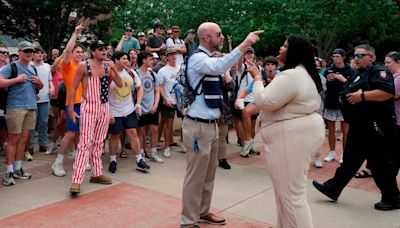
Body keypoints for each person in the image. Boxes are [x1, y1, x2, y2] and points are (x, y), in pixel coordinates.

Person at [180, 22, 262, 227]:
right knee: (195, 176)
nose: (222, 37)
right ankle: (188, 220)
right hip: (198, 126)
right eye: (218, 34)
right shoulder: (198, 58)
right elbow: (219, 66)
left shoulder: (207, 59)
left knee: (208, 175)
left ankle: (202, 211)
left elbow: (224, 72)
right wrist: (244, 44)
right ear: (205, 38)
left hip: (210, 125)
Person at [249, 36, 325, 228]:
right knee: (285, 195)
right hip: (297, 136)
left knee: (292, 196)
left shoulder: (292, 76)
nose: (280, 49)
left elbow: (265, 101)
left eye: (284, 46)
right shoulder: (303, 74)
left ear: (294, 51)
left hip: (292, 138)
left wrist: (257, 79)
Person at [313, 44, 400, 211]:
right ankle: (333, 188)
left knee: (379, 163)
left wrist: (362, 96)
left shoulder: (379, 72)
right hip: (360, 125)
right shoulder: (359, 74)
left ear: (371, 57)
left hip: (376, 125)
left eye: (361, 55)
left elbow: (387, 92)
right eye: (355, 56)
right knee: (350, 160)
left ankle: (393, 198)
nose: (356, 58)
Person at [68, 40, 123, 195]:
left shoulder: (107, 66)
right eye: (100, 49)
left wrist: (114, 69)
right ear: (93, 51)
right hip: (89, 106)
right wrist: (71, 110)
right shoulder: (83, 66)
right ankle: (76, 180)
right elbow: (73, 88)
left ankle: (96, 174)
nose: (104, 51)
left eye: (105, 48)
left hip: (104, 107)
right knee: (85, 142)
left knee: (99, 142)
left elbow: (119, 84)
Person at [0, 41, 44, 186]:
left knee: (24, 139)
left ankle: (18, 168)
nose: (29, 53)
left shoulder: (32, 68)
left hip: (31, 106)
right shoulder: (11, 67)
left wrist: (39, 83)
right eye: (26, 51)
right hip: (15, 107)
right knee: (13, 139)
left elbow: (40, 86)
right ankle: (9, 171)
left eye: (31, 51)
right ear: (19, 52)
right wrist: (16, 80)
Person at [48, 24, 84, 177]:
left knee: (79, 133)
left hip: (83, 104)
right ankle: (58, 162)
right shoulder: (67, 65)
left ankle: (77, 158)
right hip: (72, 104)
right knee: (70, 133)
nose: (79, 54)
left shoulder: (82, 66)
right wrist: (75, 34)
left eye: (81, 52)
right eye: (77, 52)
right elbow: (68, 51)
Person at [108, 51, 150, 173]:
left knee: (133, 133)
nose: (127, 60)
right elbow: (103, 93)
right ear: (116, 60)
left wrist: (138, 103)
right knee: (115, 135)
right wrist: (108, 111)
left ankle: (139, 160)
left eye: (127, 58)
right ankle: (113, 160)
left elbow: (139, 87)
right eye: (124, 58)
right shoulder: (109, 74)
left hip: (129, 109)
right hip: (114, 110)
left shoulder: (131, 73)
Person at [323, 48, 355, 164]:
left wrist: (343, 79)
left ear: (343, 57)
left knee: (345, 130)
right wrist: (328, 79)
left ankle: (344, 153)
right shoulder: (329, 69)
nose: (335, 58)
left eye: (337, 56)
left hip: (344, 104)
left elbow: (353, 85)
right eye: (334, 56)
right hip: (331, 102)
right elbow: (324, 84)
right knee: (331, 129)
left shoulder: (350, 70)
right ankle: (332, 152)